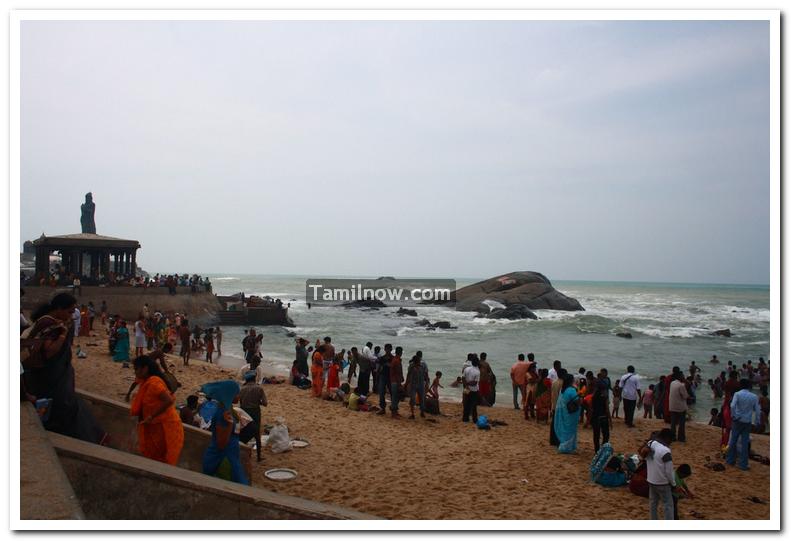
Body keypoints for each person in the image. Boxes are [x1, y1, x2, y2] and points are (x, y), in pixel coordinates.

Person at [23, 293, 106, 444]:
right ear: (59, 308)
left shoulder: (49, 321)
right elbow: (49, 351)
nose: (70, 315)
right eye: (69, 311)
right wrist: (63, 334)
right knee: (62, 409)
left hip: (55, 375)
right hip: (49, 377)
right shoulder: (50, 324)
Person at [129, 355, 184, 466]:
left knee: (161, 459)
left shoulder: (154, 383)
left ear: (145, 369)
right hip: (155, 426)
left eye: (136, 369)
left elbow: (168, 400)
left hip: (164, 427)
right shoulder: (146, 382)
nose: (135, 372)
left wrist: (151, 416)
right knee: (154, 457)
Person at [200, 380, 249, 485]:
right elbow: (221, 444)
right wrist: (230, 424)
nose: (239, 396)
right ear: (230, 394)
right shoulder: (224, 413)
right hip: (222, 459)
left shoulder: (227, 408)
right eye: (237, 393)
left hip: (228, 456)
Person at [726, 379, 761, 471]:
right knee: (745, 443)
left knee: (733, 440)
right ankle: (743, 464)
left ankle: (730, 460)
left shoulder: (737, 394)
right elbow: (757, 411)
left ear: (740, 385)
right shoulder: (754, 396)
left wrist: (734, 415)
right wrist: (757, 421)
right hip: (747, 421)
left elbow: (732, 406)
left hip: (737, 420)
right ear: (749, 386)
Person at [641, 428, 676, 520]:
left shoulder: (650, 444)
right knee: (668, 505)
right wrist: (673, 484)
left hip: (651, 480)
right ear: (667, 438)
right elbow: (669, 471)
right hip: (662, 482)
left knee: (653, 503)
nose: (671, 443)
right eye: (671, 440)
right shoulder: (665, 451)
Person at [238, 371, 268, 462]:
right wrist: (258, 402)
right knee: (256, 434)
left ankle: (241, 452)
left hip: (244, 412)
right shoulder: (259, 389)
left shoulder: (242, 389)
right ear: (254, 378)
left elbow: (241, 402)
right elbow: (265, 403)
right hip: (255, 412)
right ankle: (259, 457)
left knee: (244, 433)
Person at [554, 373, 580, 453]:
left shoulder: (563, 389)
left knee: (565, 428)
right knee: (570, 429)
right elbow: (577, 401)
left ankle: (568, 446)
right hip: (571, 413)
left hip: (565, 412)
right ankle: (566, 447)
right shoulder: (571, 390)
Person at [590, 379, 612, 452]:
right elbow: (607, 409)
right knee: (606, 435)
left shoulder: (593, 396)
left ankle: (597, 450)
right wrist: (610, 420)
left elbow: (591, 408)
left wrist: (589, 419)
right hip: (603, 418)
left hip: (595, 417)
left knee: (596, 435)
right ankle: (603, 449)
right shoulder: (605, 397)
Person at [406, 351, 428, 419]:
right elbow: (408, 374)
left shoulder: (423, 365)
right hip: (413, 384)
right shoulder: (411, 365)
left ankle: (422, 412)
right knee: (412, 399)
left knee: (422, 399)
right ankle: (412, 414)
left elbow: (426, 374)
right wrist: (406, 384)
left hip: (421, 384)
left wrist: (427, 383)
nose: (418, 363)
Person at [668, 372, 689, 442]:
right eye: (683, 376)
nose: (684, 377)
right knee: (681, 423)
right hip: (680, 408)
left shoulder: (672, 383)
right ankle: (681, 438)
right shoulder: (681, 385)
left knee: (673, 423)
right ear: (680, 377)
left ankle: (672, 437)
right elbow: (685, 396)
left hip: (672, 406)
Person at [462, 354, 480, 424]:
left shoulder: (467, 369)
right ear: (477, 363)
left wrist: (466, 385)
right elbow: (475, 383)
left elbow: (463, 378)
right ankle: (474, 419)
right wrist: (468, 384)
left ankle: (465, 419)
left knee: (466, 404)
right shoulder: (477, 372)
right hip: (474, 390)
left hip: (466, 389)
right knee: (474, 405)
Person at [376, 344, 393, 415]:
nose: (387, 350)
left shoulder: (393, 358)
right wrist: (377, 377)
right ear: (385, 349)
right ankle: (382, 408)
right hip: (383, 376)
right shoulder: (382, 358)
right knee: (382, 393)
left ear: (391, 349)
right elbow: (379, 368)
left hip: (390, 377)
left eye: (389, 349)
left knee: (393, 393)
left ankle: (393, 408)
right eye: (386, 349)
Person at [389, 346, 404, 418]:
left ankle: (395, 411)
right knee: (395, 397)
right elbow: (397, 373)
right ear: (400, 353)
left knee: (396, 397)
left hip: (394, 380)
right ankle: (393, 413)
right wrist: (399, 384)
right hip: (396, 381)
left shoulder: (395, 359)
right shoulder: (397, 361)